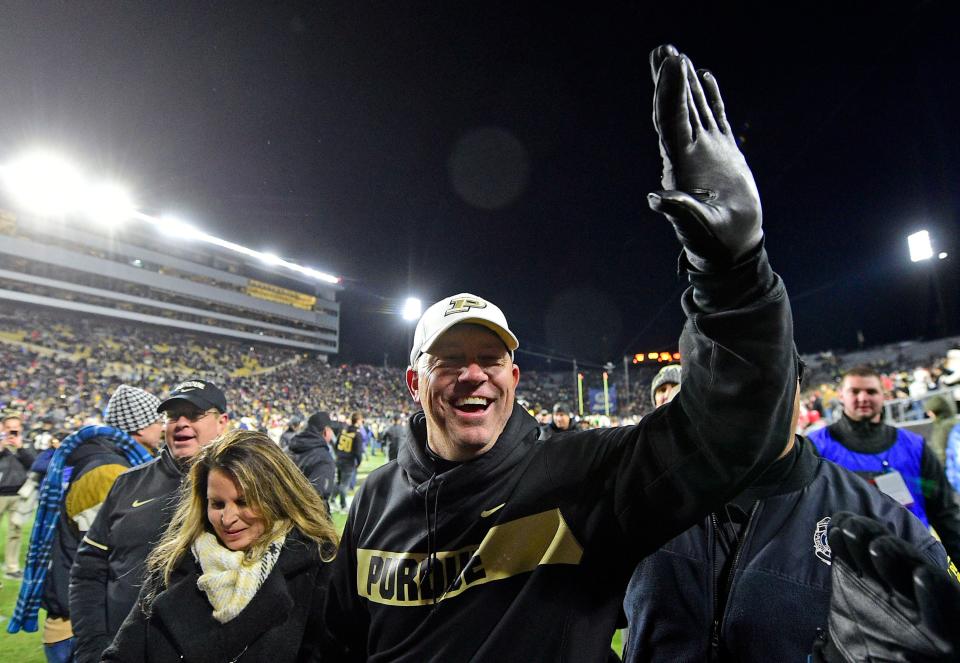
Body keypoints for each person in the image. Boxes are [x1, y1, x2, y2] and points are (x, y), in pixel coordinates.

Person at [325, 44, 799, 661]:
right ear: (415, 384)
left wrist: (733, 271)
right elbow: (336, 642)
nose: (474, 375)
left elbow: (728, 433)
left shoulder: (582, 477)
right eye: (450, 360)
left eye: (490, 360)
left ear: (514, 377)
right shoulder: (376, 499)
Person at [622, 371, 949, 662]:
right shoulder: (634, 497)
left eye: (768, 372)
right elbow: (577, 619)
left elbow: (947, 514)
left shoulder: (902, 465)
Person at [103, 429, 339, 662]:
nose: (227, 519)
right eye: (217, 504)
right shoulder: (173, 563)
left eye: (243, 502)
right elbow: (123, 653)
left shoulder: (316, 567)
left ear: (277, 497)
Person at [70, 378, 229, 663]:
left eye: (193, 415)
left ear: (223, 422)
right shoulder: (127, 484)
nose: (180, 423)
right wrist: (93, 647)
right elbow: (88, 570)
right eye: (171, 416)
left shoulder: (243, 490)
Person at [6, 385, 162, 662]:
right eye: (158, 419)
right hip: (83, 627)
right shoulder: (108, 472)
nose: (164, 427)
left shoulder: (107, 461)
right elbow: (112, 557)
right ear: (140, 425)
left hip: (82, 623)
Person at [808, 366, 960, 562]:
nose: (863, 398)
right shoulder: (816, 448)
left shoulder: (915, 446)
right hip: (848, 569)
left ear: (884, 396)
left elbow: (943, 510)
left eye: (871, 391)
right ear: (841, 396)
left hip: (914, 561)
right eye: (854, 391)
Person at [0, 413, 36, 579]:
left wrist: (20, 448)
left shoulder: (26, 445)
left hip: (20, 494)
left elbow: (35, 465)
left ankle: (12, 567)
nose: (12, 431)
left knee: (15, 531)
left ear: (20, 429)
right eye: (9, 428)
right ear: (3, 428)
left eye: (15, 428)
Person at [286, 411, 338, 507]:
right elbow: (317, 498)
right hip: (303, 517)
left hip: (282, 512)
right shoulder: (323, 458)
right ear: (326, 431)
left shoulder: (288, 449)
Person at [333, 411, 366, 511]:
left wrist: (339, 455)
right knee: (344, 484)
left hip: (339, 459)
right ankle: (343, 506)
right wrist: (359, 462)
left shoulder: (343, 430)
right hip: (349, 461)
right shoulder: (357, 434)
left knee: (339, 482)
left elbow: (336, 445)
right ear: (358, 420)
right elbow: (358, 452)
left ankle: (332, 500)